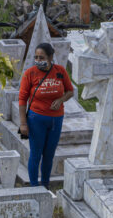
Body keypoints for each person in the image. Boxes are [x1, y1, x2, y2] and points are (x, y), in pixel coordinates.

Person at [18, 42, 74, 188]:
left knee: (49, 155)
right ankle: (34, 187)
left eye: (41, 57)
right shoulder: (30, 74)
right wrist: (23, 123)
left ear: (50, 57)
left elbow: (70, 91)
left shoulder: (60, 71)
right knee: (35, 154)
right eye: (36, 57)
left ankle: (45, 184)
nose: (38, 60)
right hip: (36, 119)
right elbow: (22, 99)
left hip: (56, 119)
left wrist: (61, 99)